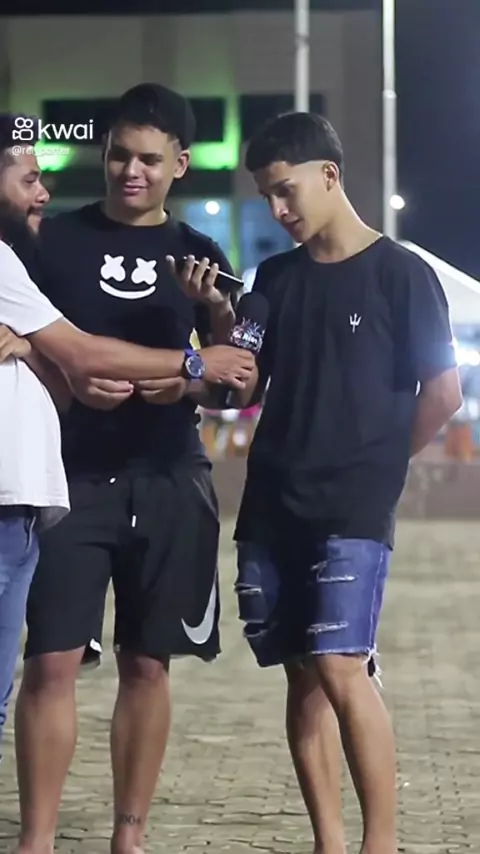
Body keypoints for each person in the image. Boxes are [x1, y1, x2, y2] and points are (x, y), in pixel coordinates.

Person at [13, 84, 244, 854]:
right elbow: (22, 336)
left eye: (148, 159)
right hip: (67, 482)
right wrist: (63, 374)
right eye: (118, 155)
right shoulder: (51, 240)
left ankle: (129, 836)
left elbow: (235, 381)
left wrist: (199, 355)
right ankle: (37, 840)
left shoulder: (203, 256)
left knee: (148, 665)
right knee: (50, 664)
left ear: (181, 163)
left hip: (169, 476)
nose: (130, 171)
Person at [227, 112, 462, 854]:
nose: (277, 210)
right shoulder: (274, 279)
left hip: (353, 508)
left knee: (339, 664)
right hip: (272, 503)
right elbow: (243, 384)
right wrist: (211, 320)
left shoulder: (403, 274)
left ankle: (378, 843)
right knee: (302, 674)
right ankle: (328, 842)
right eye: (266, 196)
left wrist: (380, 467)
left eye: (285, 190)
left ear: (328, 175)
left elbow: (444, 393)